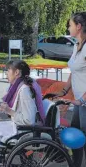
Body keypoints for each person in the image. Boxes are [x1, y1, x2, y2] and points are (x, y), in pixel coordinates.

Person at [54, 12, 86, 167]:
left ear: (79, 27)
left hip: (84, 101)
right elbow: (74, 72)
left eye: (70, 24)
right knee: (76, 137)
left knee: (84, 138)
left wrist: (81, 100)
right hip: (80, 101)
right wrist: (64, 91)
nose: (68, 27)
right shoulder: (76, 45)